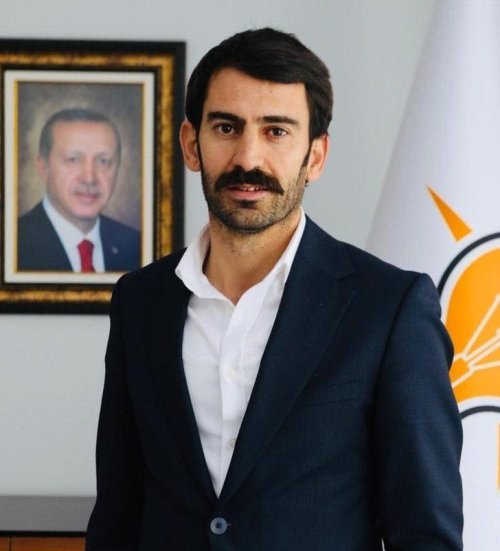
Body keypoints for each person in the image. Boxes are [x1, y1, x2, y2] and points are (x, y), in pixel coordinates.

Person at [86, 28, 463, 550]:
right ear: (192, 144)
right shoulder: (140, 301)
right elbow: (118, 517)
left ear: (316, 156)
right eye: (227, 127)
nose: (249, 158)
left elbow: (425, 535)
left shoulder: (389, 308)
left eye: (276, 131)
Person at [17, 108, 140, 273]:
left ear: (118, 167)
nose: (89, 178)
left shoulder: (137, 246)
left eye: (103, 161)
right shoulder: (13, 244)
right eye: (73, 159)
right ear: (43, 166)